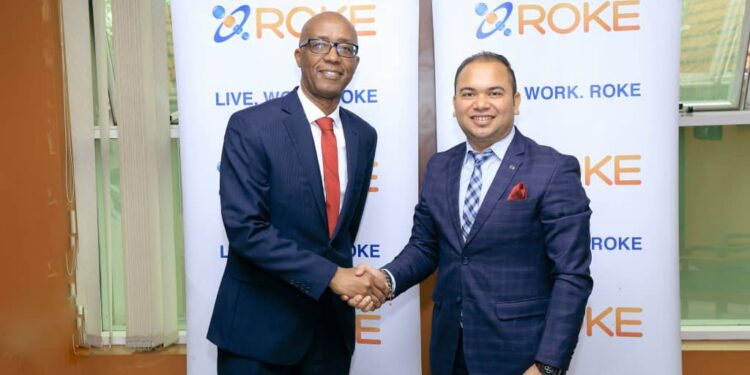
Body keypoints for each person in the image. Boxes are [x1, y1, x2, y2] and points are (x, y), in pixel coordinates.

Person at [352, 52, 593, 375]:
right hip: (450, 352)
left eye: (494, 92)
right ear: (455, 104)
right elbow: (425, 247)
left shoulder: (552, 169)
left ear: (516, 101)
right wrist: (385, 279)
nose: (481, 104)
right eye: (469, 94)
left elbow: (572, 275)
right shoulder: (439, 166)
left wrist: (547, 365)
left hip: (521, 356)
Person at [207, 12, 387, 375]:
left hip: (330, 336)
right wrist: (332, 276)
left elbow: (340, 233)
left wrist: (353, 282)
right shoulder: (252, 126)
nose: (333, 56)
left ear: (355, 62)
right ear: (298, 55)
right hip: (258, 336)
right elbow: (246, 230)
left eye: (346, 48)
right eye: (319, 44)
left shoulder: (363, 135)